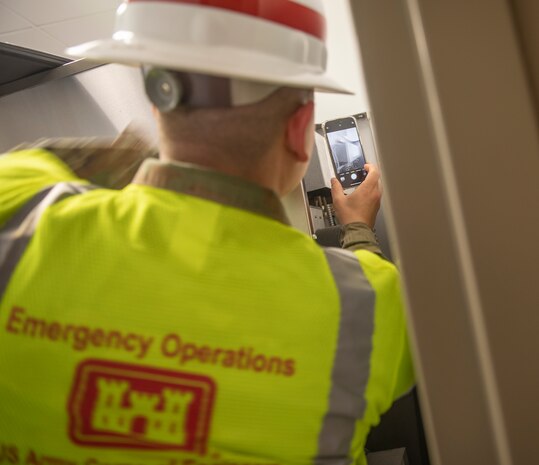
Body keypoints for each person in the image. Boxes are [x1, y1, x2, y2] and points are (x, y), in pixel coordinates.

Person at [0, 1, 413, 464]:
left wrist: (162, 149)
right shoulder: (369, 303)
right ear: (301, 132)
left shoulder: (20, 208)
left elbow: (34, 162)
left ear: (159, 99)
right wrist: (357, 227)